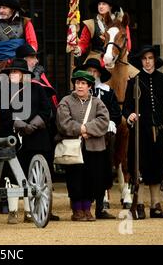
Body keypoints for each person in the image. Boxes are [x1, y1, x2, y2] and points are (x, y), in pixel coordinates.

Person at [123, 45, 163, 219]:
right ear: (141, 61)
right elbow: (126, 107)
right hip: (139, 132)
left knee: (157, 167)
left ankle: (155, 206)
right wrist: (130, 116)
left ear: (155, 60)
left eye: (150, 58)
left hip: (159, 131)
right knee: (139, 168)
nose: (147, 62)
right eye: (144, 59)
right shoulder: (133, 80)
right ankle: (139, 205)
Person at [0, 58, 52, 224]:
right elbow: (4, 114)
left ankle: (30, 212)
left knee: (33, 175)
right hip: (14, 137)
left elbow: (46, 110)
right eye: (11, 72)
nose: (13, 74)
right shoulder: (4, 91)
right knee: (13, 175)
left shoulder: (37, 88)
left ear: (23, 74)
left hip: (36, 136)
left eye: (15, 72)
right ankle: (13, 211)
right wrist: (21, 125)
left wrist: (32, 125)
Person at [56, 70, 109, 221]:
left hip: (94, 147)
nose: (80, 86)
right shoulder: (66, 101)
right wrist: (81, 129)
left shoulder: (98, 102)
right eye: (77, 83)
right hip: (74, 147)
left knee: (92, 179)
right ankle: (77, 209)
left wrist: (88, 129)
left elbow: (104, 120)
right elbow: (63, 122)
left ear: (89, 86)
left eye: (83, 83)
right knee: (75, 179)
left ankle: (87, 208)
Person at [15, 44, 60, 221]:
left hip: (40, 132)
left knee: (44, 173)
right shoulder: (9, 84)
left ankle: (44, 208)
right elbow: (7, 110)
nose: (36, 60)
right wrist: (21, 126)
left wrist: (33, 125)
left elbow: (48, 107)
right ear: (24, 61)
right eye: (32, 57)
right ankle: (23, 208)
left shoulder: (38, 83)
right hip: (19, 135)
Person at [76, 58, 121, 219]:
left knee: (102, 173)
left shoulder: (108, 91)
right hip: (83, 138)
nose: (92, 74)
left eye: (95, 72)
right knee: (83, 173)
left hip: (103, 138)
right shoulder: (79, 93)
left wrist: (110, 123)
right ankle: (82, 207)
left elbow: (115, 112)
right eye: (89, 71)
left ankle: (101, 207)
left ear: (99, 74)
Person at [72, 0, 131, 65]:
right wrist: (78, 49)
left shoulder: (121, 24)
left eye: (104, 4)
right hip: (96, 60)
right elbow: (83, 44)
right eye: (99, 4)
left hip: (116, 60)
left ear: (110, 7)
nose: (101, 6)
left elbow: (128, 46)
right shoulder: (90, 24)